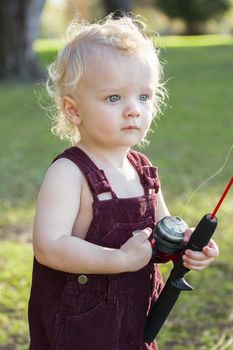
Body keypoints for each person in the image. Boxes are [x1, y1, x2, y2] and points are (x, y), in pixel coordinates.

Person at [28, 14, 219, 350]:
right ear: (73, 110)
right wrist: (118, 260)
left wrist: (189, 244)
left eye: (144, 97)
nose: (133, 110)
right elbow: (49, 246)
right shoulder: (69, 173)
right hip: (77, 333)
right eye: (114, 98)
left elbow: (163, 235)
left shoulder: (143, 171)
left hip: (134, 325)